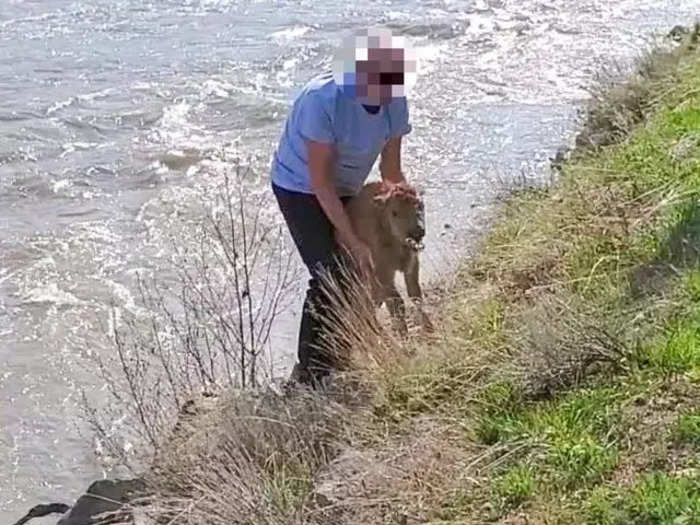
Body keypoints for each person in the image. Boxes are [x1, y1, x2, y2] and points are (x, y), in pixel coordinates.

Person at [270, 27, 417, 387]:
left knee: (371, 267)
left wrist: (404, 194)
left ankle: (343, 347)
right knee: (331, 272)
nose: (384, 93)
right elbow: (321, 183)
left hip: (349, 186)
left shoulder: (395, 100)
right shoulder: (321, 100)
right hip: (300, 187)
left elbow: (390, 170)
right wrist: (350, 238)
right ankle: (309, 375)